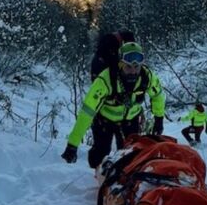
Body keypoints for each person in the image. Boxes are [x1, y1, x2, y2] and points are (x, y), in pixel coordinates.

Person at [62, 40, 165, 169]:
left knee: (131, 154)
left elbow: (158, 96)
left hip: (130, 121)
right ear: (121, 64)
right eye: (128, 67)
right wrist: (72, 144)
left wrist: (159, 119)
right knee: (100, 153)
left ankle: (125, 179)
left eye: (137, 67)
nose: (133, 72)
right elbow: (87, 112)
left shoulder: (147, 77)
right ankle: (97, 176)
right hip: (104, 122)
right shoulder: (105, 80)